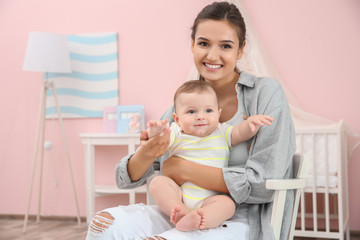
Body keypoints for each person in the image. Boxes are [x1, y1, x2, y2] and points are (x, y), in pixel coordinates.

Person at [86, 1, 295, 240]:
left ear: (240, 50)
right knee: (104, 225)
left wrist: (182, 168)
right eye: (203, 43)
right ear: (192, 44)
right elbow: (128, 179)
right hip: (182, 210)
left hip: (244, 217)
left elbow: (264, 183)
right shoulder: (184, 104)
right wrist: (148, 151)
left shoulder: (265, 93)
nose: (212, 55)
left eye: (225, 46)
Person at [146, 80, 273, 232]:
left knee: (228, 205)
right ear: (178, 119)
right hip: (180, 194)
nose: (200, 116)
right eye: (191, 112)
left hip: (211, 198)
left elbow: (239, 133)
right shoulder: (177, 133)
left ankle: (200, 220)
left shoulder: (222, 131)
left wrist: (251, 125)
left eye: (208, 111)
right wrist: (155, 132)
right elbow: (162, 141)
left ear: (218, 114)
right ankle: (179, 210)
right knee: (157, 183)